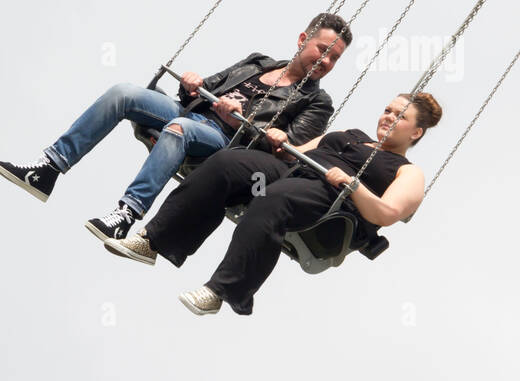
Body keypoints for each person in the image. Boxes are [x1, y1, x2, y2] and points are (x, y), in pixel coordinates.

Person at [0, 13, 353, 241]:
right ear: (302, 40)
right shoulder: (257, 61)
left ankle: (127, 213)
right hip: (191, 112)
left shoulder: (316, 101)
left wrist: (241, 122)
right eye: (322, 49)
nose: (326, 60)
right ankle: (48, 168)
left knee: (179, 128)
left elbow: (285, 151)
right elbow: (207, 86)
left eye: (334, 58)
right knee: (124, 93)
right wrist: (193, 82)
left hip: (226, 141)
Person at [104, 92, 443, 316]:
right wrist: (280, 141)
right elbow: (293, 153)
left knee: (274, 199)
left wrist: (352, 185)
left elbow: (384, 213)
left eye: (399, 116)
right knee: (227, 163)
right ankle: (155, 241)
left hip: (331, 199)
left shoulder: (409, 172)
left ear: (416, 133)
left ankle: (222, 291)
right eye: (387, 110)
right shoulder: (351, 132)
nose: (387, 117)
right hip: (291, 169)